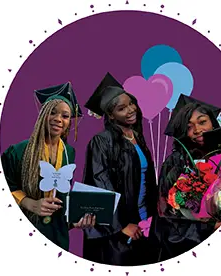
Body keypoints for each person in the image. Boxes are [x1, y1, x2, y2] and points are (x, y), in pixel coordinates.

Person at [153, 94, 221, 261]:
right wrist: (210, 227)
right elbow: (168, 212)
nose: (197, 130)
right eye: (189, 126)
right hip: (190, 243)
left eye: (202, 121)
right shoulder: (175, 162)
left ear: (213, 122)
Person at [1, 82, 95, 251]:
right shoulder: (18, 151)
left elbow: (63, 194)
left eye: (65, 116)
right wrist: (29, 203)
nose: (58, 119)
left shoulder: (69, 153)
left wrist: (74, 219)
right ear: (42, 115)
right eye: (52, 112)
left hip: (57, 235)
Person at [81, 72, 159, 266]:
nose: (131, 110)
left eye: (131, 103)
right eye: (122, 108)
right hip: (118, 229)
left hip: (144, 221)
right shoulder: (102, 141)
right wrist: (121, 226)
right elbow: (100, 183)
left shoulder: (137, 137)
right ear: (110, 115)